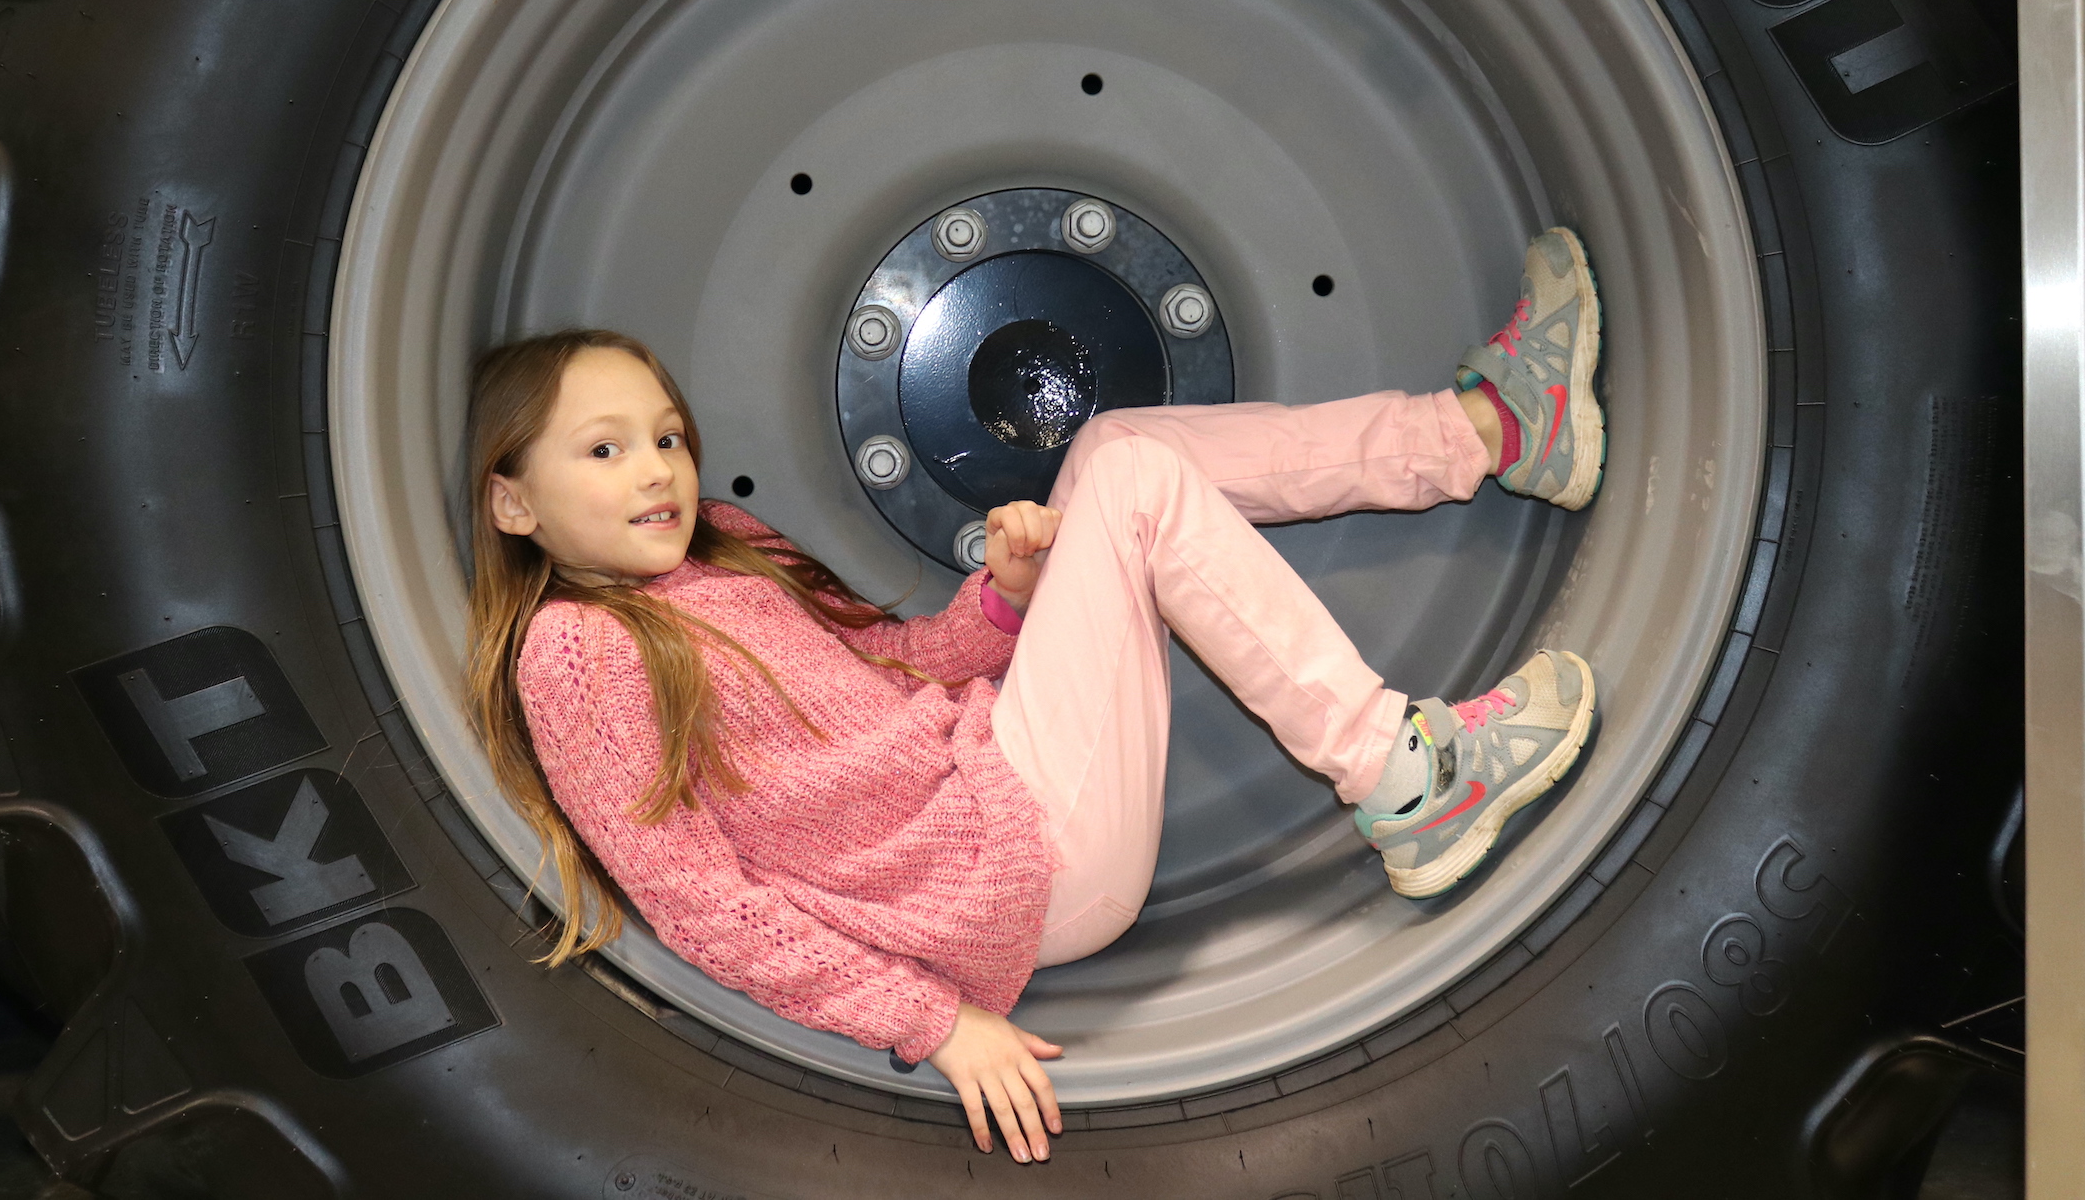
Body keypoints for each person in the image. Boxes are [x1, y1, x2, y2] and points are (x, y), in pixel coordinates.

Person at [465, 229, 1605, 1166]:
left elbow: (898, 665)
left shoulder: (727, 546)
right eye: (603, 451)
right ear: (513, 503)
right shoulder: (576, 650)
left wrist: (1006, 603)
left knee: (1113, 444)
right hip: (1005, 874)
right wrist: (931, 1023)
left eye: (666, 436)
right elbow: (702, 905)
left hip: (998, 786)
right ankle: (1404, 775)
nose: (656, 468)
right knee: (1135, 482)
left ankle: (1489, 431)